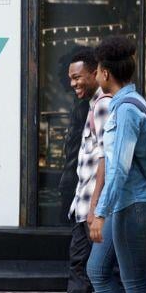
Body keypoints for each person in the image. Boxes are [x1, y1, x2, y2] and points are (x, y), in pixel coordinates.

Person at [86, 36, 146, 293]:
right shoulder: (124, 103)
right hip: (123, 201)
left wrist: (100, 212)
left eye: (97, 70)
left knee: (134, 281)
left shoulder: (126, 109)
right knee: (97, 269)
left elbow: (119, 168)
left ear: (105, 73)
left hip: (134, 202)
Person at [60, 48, 115, 293]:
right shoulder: (90, 106)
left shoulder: (104, 105)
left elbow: (108, 159)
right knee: (84, 268)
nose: (74, 83)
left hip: (93, 209)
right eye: (71, 79)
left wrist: (96, 210)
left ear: (96, 73)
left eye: (78, 77)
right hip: (83, 207)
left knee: (93, 270)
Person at [58, 48, 93, 226]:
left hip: (79, 180)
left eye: (76, 76)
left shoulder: (91, 105)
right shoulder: (80, 101)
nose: (70, 81)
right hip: (75, 176)